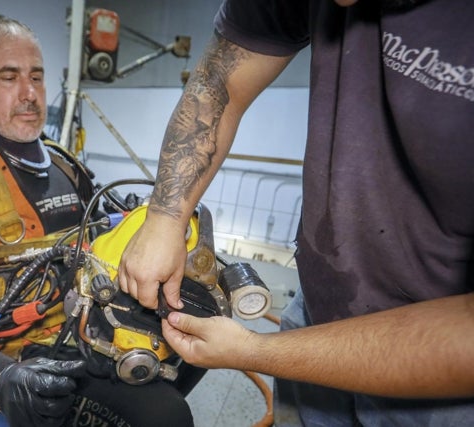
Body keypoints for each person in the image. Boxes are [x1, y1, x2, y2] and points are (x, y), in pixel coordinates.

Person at [118, 0, 474, 425]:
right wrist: (164, 218)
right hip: (319, 308)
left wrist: (254, 351)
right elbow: (219, 81)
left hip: (445, 368)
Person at [0, 15, 196, 427]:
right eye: (9, 77)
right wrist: (0, 380)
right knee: (165, 416)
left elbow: (100, 229)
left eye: (36, 76)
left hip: (83, 330)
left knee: (189, 346)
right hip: (10, 355)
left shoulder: (62, 162)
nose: (29, 93)